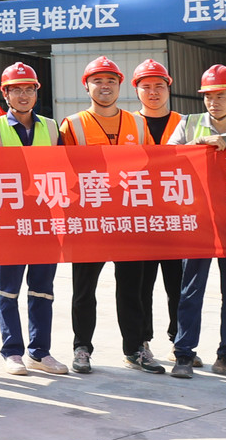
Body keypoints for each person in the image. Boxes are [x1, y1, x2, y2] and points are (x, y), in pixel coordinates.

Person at [58, 56, 158, 375]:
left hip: (129, 220)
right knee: (84, 290)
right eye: (98, 81)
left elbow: (155, 166)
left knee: (132, 289)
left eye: (111, 81)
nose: (105, 87)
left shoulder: (138, 124)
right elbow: (61, 173)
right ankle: (82, 348)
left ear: (120, 86)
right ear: (86, 86)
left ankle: (135, 349)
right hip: (90, 221)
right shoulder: (72, 125)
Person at [168, 65, 226, 381]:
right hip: (196, 223)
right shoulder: (188, 125)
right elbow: (165, 159)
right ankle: (184, 354)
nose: (213, 102)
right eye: (208, 96)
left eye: (221, 96)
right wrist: (199, 143)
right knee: (191, 291)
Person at [0, 63, 67, 377]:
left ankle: (40, 352)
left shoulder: (52, 128)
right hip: (8, 221)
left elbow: (62, 171)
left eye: (29, 89)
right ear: (5, 94)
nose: (24, 95)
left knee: (42, 288)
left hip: (44, 219)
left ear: (36, 92)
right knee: (9, 289)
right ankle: (12, 352)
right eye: (16, 89)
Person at [129, 58, 185, 358]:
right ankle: (142, 341)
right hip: (140, 218)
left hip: (176, 218)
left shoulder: (186, 123)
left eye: (159, 86)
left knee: (179, 284)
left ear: (168, 88)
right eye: (146, 86)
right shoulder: (127, 124)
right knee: (141, 285)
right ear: (136, 90)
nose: (153, 92)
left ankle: (180, 341)